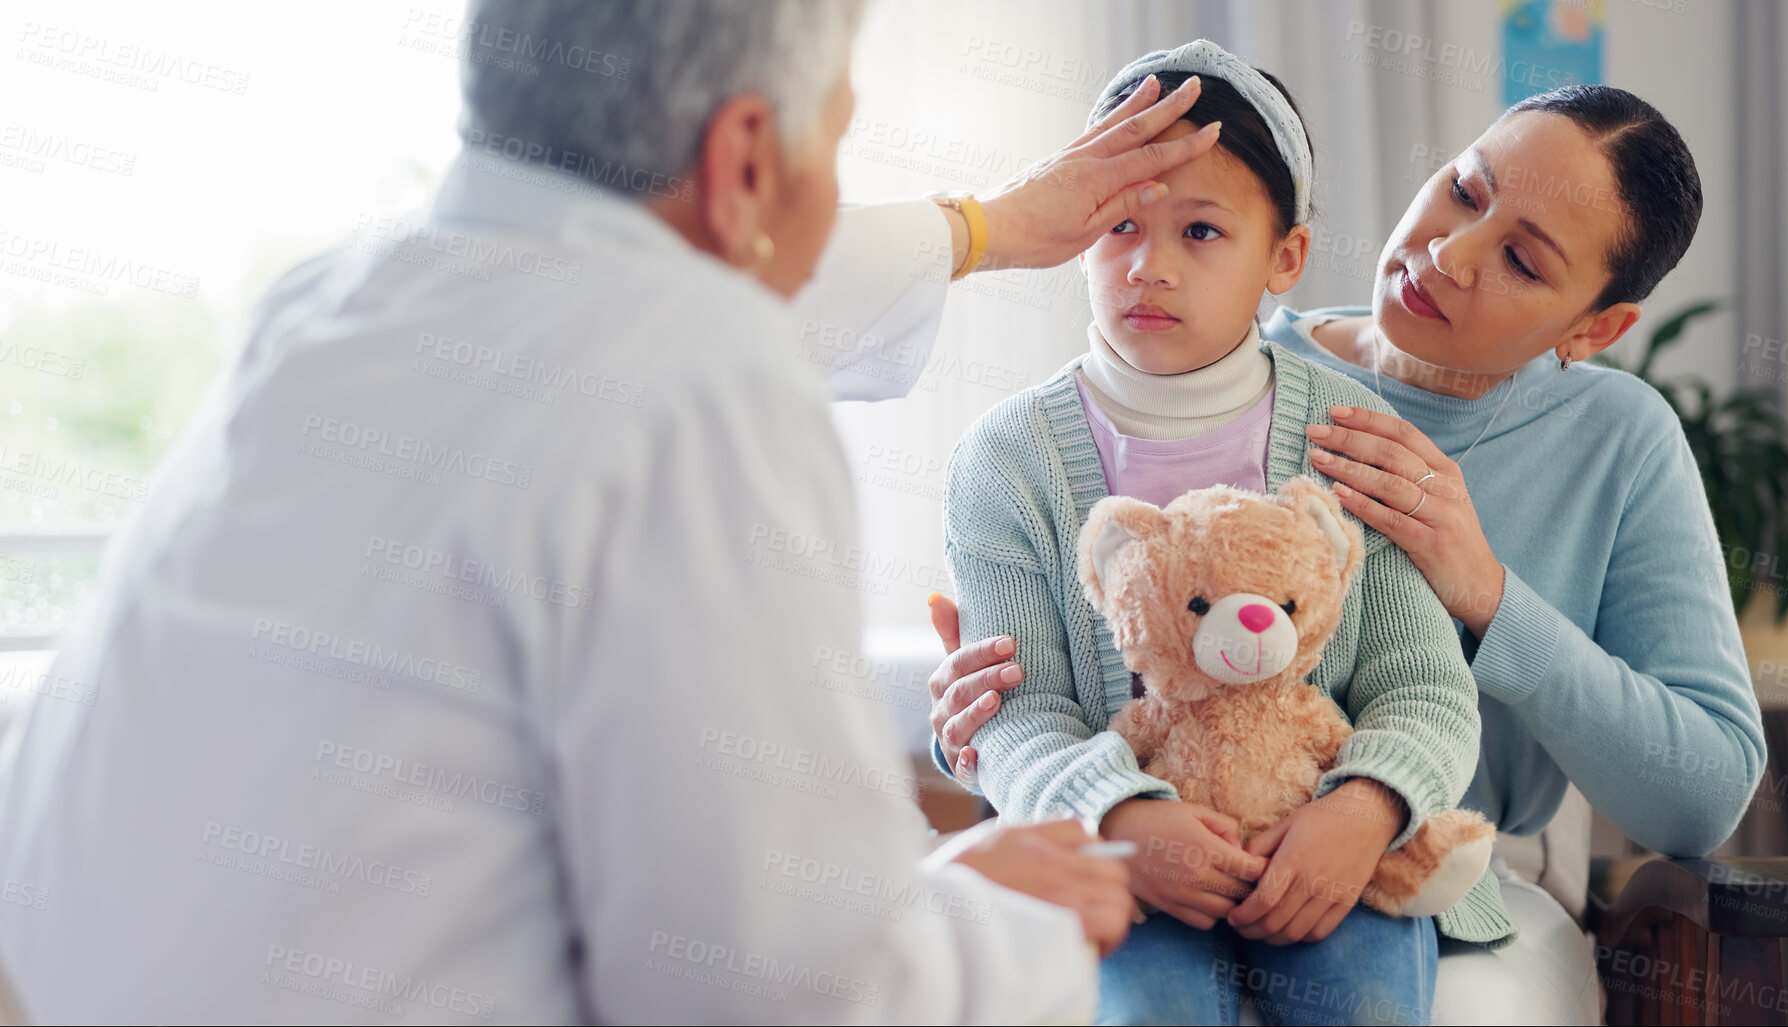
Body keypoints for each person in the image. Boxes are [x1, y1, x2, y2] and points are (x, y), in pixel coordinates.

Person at [0, 2, 1233, 1021]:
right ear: (748, 155)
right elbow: (782, 996)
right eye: (838, 138)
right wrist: (1009, 925)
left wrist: (985, 228)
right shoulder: (697, 377)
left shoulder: (333, 303)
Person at [925, 83, 1761, 1024]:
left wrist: (1485, 594)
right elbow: (1036, 693)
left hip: (1434, 867)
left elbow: (1702, 795)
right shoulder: (1208, 357)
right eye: (1464, 190)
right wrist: (991, 734)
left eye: (1522, 259)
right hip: (1141, 860)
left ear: (1594, 328)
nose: (1448, 252)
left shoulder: (1616, 437)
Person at [939, 41, 1502, 1026]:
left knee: (1365, 1003)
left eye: (1201, 230)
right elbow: (1018, 715)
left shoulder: (1359, 442)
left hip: (1332, 858)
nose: (1148, 265)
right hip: (1124, 861)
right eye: (1118, 224)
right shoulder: (1007, 461)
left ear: (1284, 257)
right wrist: (1121, 817)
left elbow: (1426, 688)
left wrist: (1362, 811)